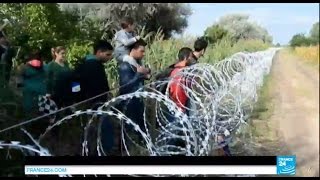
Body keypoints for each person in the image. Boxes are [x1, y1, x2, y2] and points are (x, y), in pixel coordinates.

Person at [118, 39, 151, 149]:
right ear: (133, 50)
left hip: (137, 101)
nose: (143, 54)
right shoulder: (125, 66)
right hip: (129, 103)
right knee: (130, 129)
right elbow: (125, 86)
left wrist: (144, 76)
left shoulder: (135, 64)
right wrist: (139, 74)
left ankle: (142, 146)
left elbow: (135, 81)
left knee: (140, 126)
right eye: (141, 51)